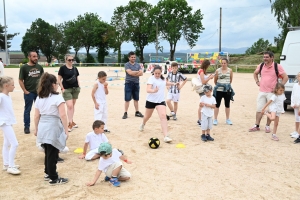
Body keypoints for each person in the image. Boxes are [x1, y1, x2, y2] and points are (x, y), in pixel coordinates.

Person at [34, 73, 69, 185]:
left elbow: (36, 115)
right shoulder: (58, 97)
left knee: (48, 151)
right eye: (57, 83)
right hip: (53, 126)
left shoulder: (39, 97)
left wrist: (36, 128)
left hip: (43, 125)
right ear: (53, 84)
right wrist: (66, 129)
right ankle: (53, 177)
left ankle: (47, 172)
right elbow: (63, 115)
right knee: (52, 153)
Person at [249, 51, 288, 132]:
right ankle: (256, 125)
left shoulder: (277, 66)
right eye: (264, 57)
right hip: (262, 91)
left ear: (272, 57)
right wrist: (257, 81)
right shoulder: (261, 65)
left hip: (272, 92)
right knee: (259, 109)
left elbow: (285, 77)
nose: (265, 58)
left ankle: (267, 126)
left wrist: (279, 87)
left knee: (271, 110)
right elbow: (255, 73)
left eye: (267, 57)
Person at [139, 66, 179, 143]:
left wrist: (173, 84)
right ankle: (143, 123)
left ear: (161, 73)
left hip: (160, 101)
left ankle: (166, 136)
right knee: (147, 116)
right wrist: (154, 90)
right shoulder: (151, 79)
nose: (157, 75)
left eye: (159, 73)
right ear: (153, 72)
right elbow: (148, 89)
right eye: (156, 73)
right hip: (151, 101)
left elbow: (165, 83)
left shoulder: (163, 79)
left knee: (163, 116)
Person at [19, 51, 44, 134]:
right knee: (27, 110)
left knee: (41, 110)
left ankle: (40, 126)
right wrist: (25, 91)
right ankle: (26, 127)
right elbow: (20, 80)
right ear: (29, 57)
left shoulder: (40, 67)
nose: (36, 58)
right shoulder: (24, 68)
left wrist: (43, 90)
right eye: (33, 56)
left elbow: (43, 79)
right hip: (29, 93)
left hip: (39, 93)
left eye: (36, 56)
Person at [0, 76, 21, 175]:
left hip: (8, 121)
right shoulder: (1, 96)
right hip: (4, 122)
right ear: (6, 86)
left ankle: (6, 164)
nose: (14, 87)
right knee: (15, 143)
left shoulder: (7, 96)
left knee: (7, 143)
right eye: (12, 85)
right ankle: (11, 166)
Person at [58, 55, 80, 132]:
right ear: (66, 60)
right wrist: (62, 88)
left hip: (75, 89)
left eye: (72, 60)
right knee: (69, 106)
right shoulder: (62, 68)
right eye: (69, 60)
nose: (71, 61)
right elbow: (59, 79)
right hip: (67, 89)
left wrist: (79, 86)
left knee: (72, 106)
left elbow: (77, 78)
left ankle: (71, 121)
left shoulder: (75, 68)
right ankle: (70, 123)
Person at [122, 51, 144, 119]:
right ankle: (125, 113)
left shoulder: (138, 65)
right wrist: (137, 72)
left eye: (134, 57)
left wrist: (133, 72)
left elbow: (141, 74)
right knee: (127, 99)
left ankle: (137, 112)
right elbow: (130, 73)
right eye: (132, 57)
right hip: (128, 83)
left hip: (136, 83)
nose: (133, 58)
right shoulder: (127, 65)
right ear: (129, 58)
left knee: (136, 99)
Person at [213, 58, 234, 125]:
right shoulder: (217, 71)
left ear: (227, 63)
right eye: (222, 63)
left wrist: (226, 85)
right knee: (217, 105)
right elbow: (215, 80)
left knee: (227, 105)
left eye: (224, 63)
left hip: (227, 90)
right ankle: (215, 119)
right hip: (219, 90)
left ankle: (227, 119)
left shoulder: (230, 70)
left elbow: (230, 79)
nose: (223, 64)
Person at [197, 60, 215, 126]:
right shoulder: (201, 71)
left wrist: (208, 77)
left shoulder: (201, 71)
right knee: (202, 105)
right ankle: (200, 119)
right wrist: (209, 77)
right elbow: (203, 82)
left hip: (203, 89)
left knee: (203, 104)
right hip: (202, 89)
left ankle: (201, 119)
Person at [290, 72, 300, 141]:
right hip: (295, 104)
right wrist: (292, 103)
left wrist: (298, 104)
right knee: (296, 118)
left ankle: (299, 133)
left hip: (299, 105)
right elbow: (293, 95)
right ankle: (296, 131)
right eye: (299, 76)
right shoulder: (295, 85)